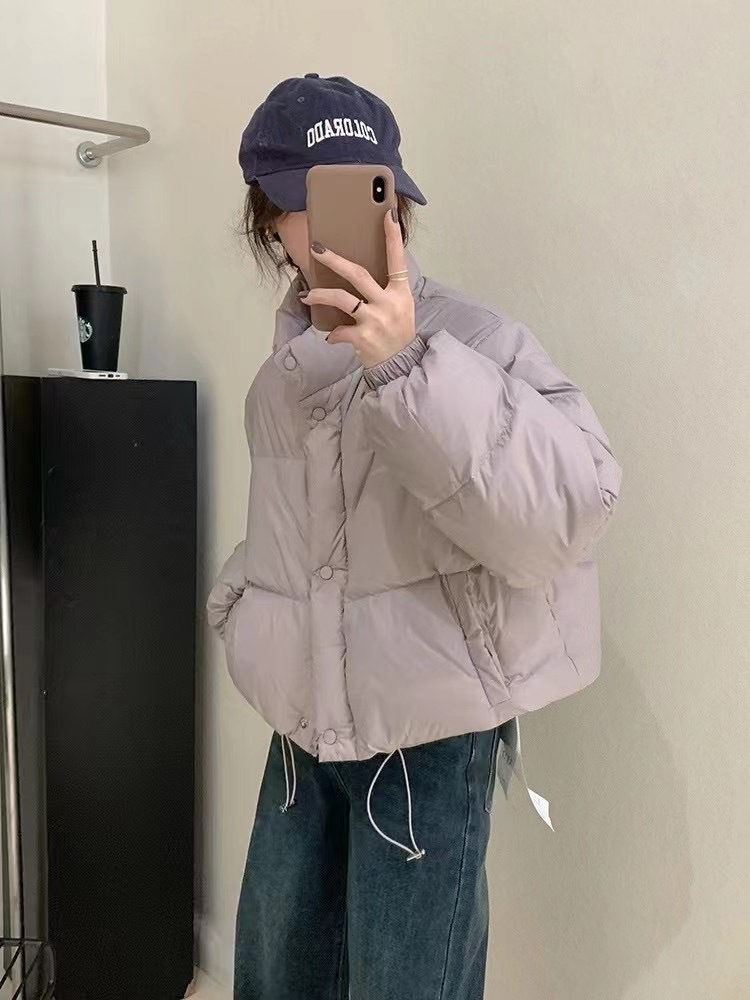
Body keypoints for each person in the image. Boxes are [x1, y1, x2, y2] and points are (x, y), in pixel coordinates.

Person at [207, 72, 622, 1000]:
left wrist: (408, 367)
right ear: (270, 219)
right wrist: (241, 610)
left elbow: (568, 512)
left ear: (396, 202)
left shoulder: (475, 340)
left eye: (369, 195)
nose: (347, 226)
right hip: (302, 735)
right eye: (310, 201)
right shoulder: (280, 377)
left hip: (425, 745)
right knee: (276, 977)